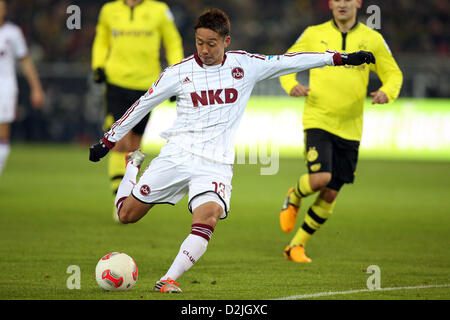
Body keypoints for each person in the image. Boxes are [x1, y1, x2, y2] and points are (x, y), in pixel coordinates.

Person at [89, 8, 374, 293]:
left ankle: (168, 279)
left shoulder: (244, 65)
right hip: (177, 155)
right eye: (199, 42)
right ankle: (131, 166)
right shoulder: (178, 72)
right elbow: (143, 105)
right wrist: (108, 141)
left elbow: (290, 61)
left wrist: (340, 58)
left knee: (208, 217)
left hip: (215, 163)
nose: (204, 49)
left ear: (226, 41)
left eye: (211, 43)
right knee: (127, 215)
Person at [278, 0, 403, 263]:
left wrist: (386, 92)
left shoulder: (373, 39)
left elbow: (393, 75)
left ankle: (296, 246)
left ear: (358, 3)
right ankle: (294, 195)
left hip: (351, 127)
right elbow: (285, 62)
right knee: (322, 178)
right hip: (318, 119)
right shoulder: (313, 34)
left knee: (332, 191)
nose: (342, 4)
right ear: (330, 3)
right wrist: (291, 85)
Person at [91, 0, 183, 218]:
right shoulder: (109, 10)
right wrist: (98, 65)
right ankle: (118, 199)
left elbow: (173, 42)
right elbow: (101, 41)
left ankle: (126, 195)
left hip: (146, 85)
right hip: (116, 82)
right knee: (119, 141)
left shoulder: (160, 11)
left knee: (135, 145)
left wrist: (177, 77)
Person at [0, 0, 45, 178]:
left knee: (2, 134)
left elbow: (25, 61)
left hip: (5, 86)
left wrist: (36, 88)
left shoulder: (13, 33)